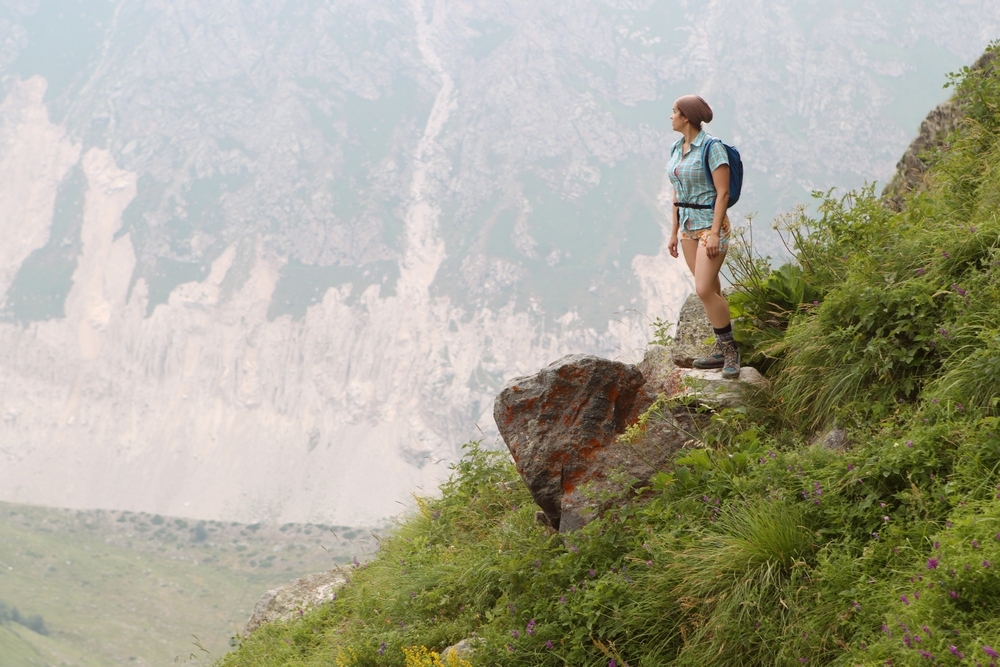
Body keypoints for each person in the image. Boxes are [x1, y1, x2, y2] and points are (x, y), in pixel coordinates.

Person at [666, 94, 740, 379]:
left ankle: (730, 351)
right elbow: (676, 190)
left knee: (703, 289)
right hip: (686, 226)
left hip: (710, 225)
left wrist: (715, 233)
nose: (670, 116)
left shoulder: (713, 148)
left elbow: (722, 192)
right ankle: (721, 350)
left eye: (673, 112)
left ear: (686, 116)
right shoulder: (677, 148)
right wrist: (673, 231)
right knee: (713, 290)